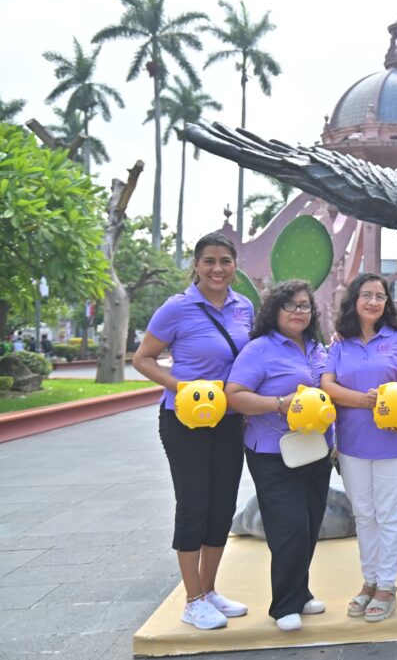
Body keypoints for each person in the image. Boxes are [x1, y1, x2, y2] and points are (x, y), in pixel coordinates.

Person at [132, 232, 254, 631]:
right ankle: (192, 599)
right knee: (194, 504)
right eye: (209, 261)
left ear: (234, 265)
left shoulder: (244, 307)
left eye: (225, 261)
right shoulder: (177, 307)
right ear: (197, 265)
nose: (217, 269)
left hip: (228, 419)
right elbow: (143, 358)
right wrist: (180, 386)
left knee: (222, 505)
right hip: (184, 420)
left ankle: (209, 589)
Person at [224, 280, 331, 632]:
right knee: (289, 528)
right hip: (273, 452)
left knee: (310, 523)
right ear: (275, 310)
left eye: (305, 306)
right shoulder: (260, 349)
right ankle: (284, 604)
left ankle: (300, 592)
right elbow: (234, 395)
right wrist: (279, 404)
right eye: (291, 305)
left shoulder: (316, 347)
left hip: (315, 449)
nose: (299, 312)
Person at [320, 272, 397, 622]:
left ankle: (387, 587)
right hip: (352, 443)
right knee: (364, 515)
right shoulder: (340, 343)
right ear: (354, 300)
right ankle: (370, 581)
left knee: (389, 515)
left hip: (396, 441)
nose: (374, 301)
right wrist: (365, 401)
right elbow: (327, 385)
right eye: (367, 295)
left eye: (380, 296)